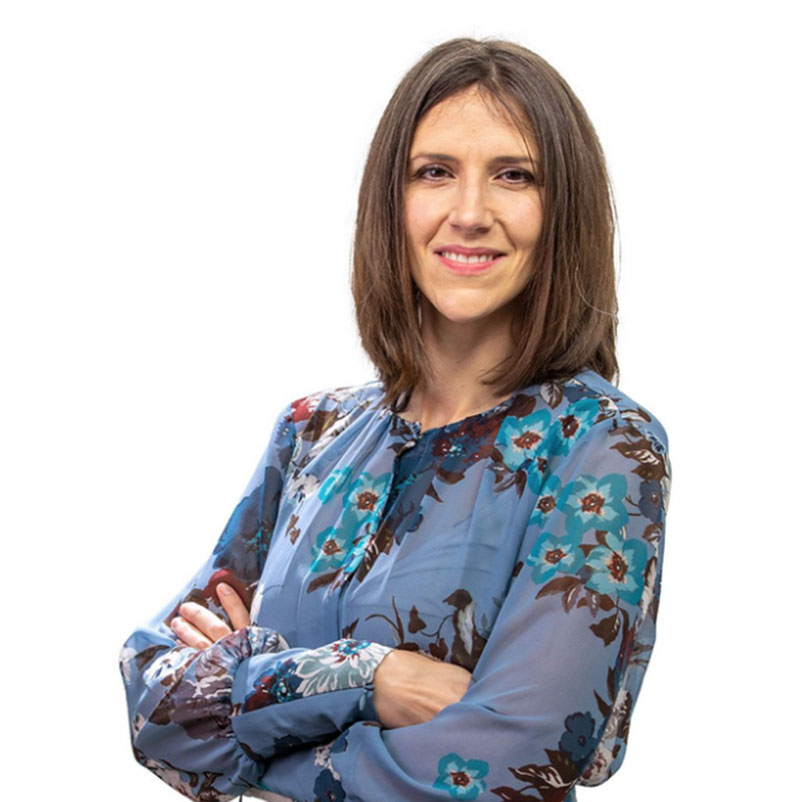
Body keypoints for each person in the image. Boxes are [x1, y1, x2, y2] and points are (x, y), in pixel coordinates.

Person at [119, 37, 672, 802]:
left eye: (514, 175)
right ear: (391, 201)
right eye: (434, 172)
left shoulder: (603, 443)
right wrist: (368, 676)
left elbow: (516, 763)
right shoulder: (310, 433)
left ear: (562, 211)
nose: (469, 213)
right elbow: (154, 703)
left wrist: (249, 714)